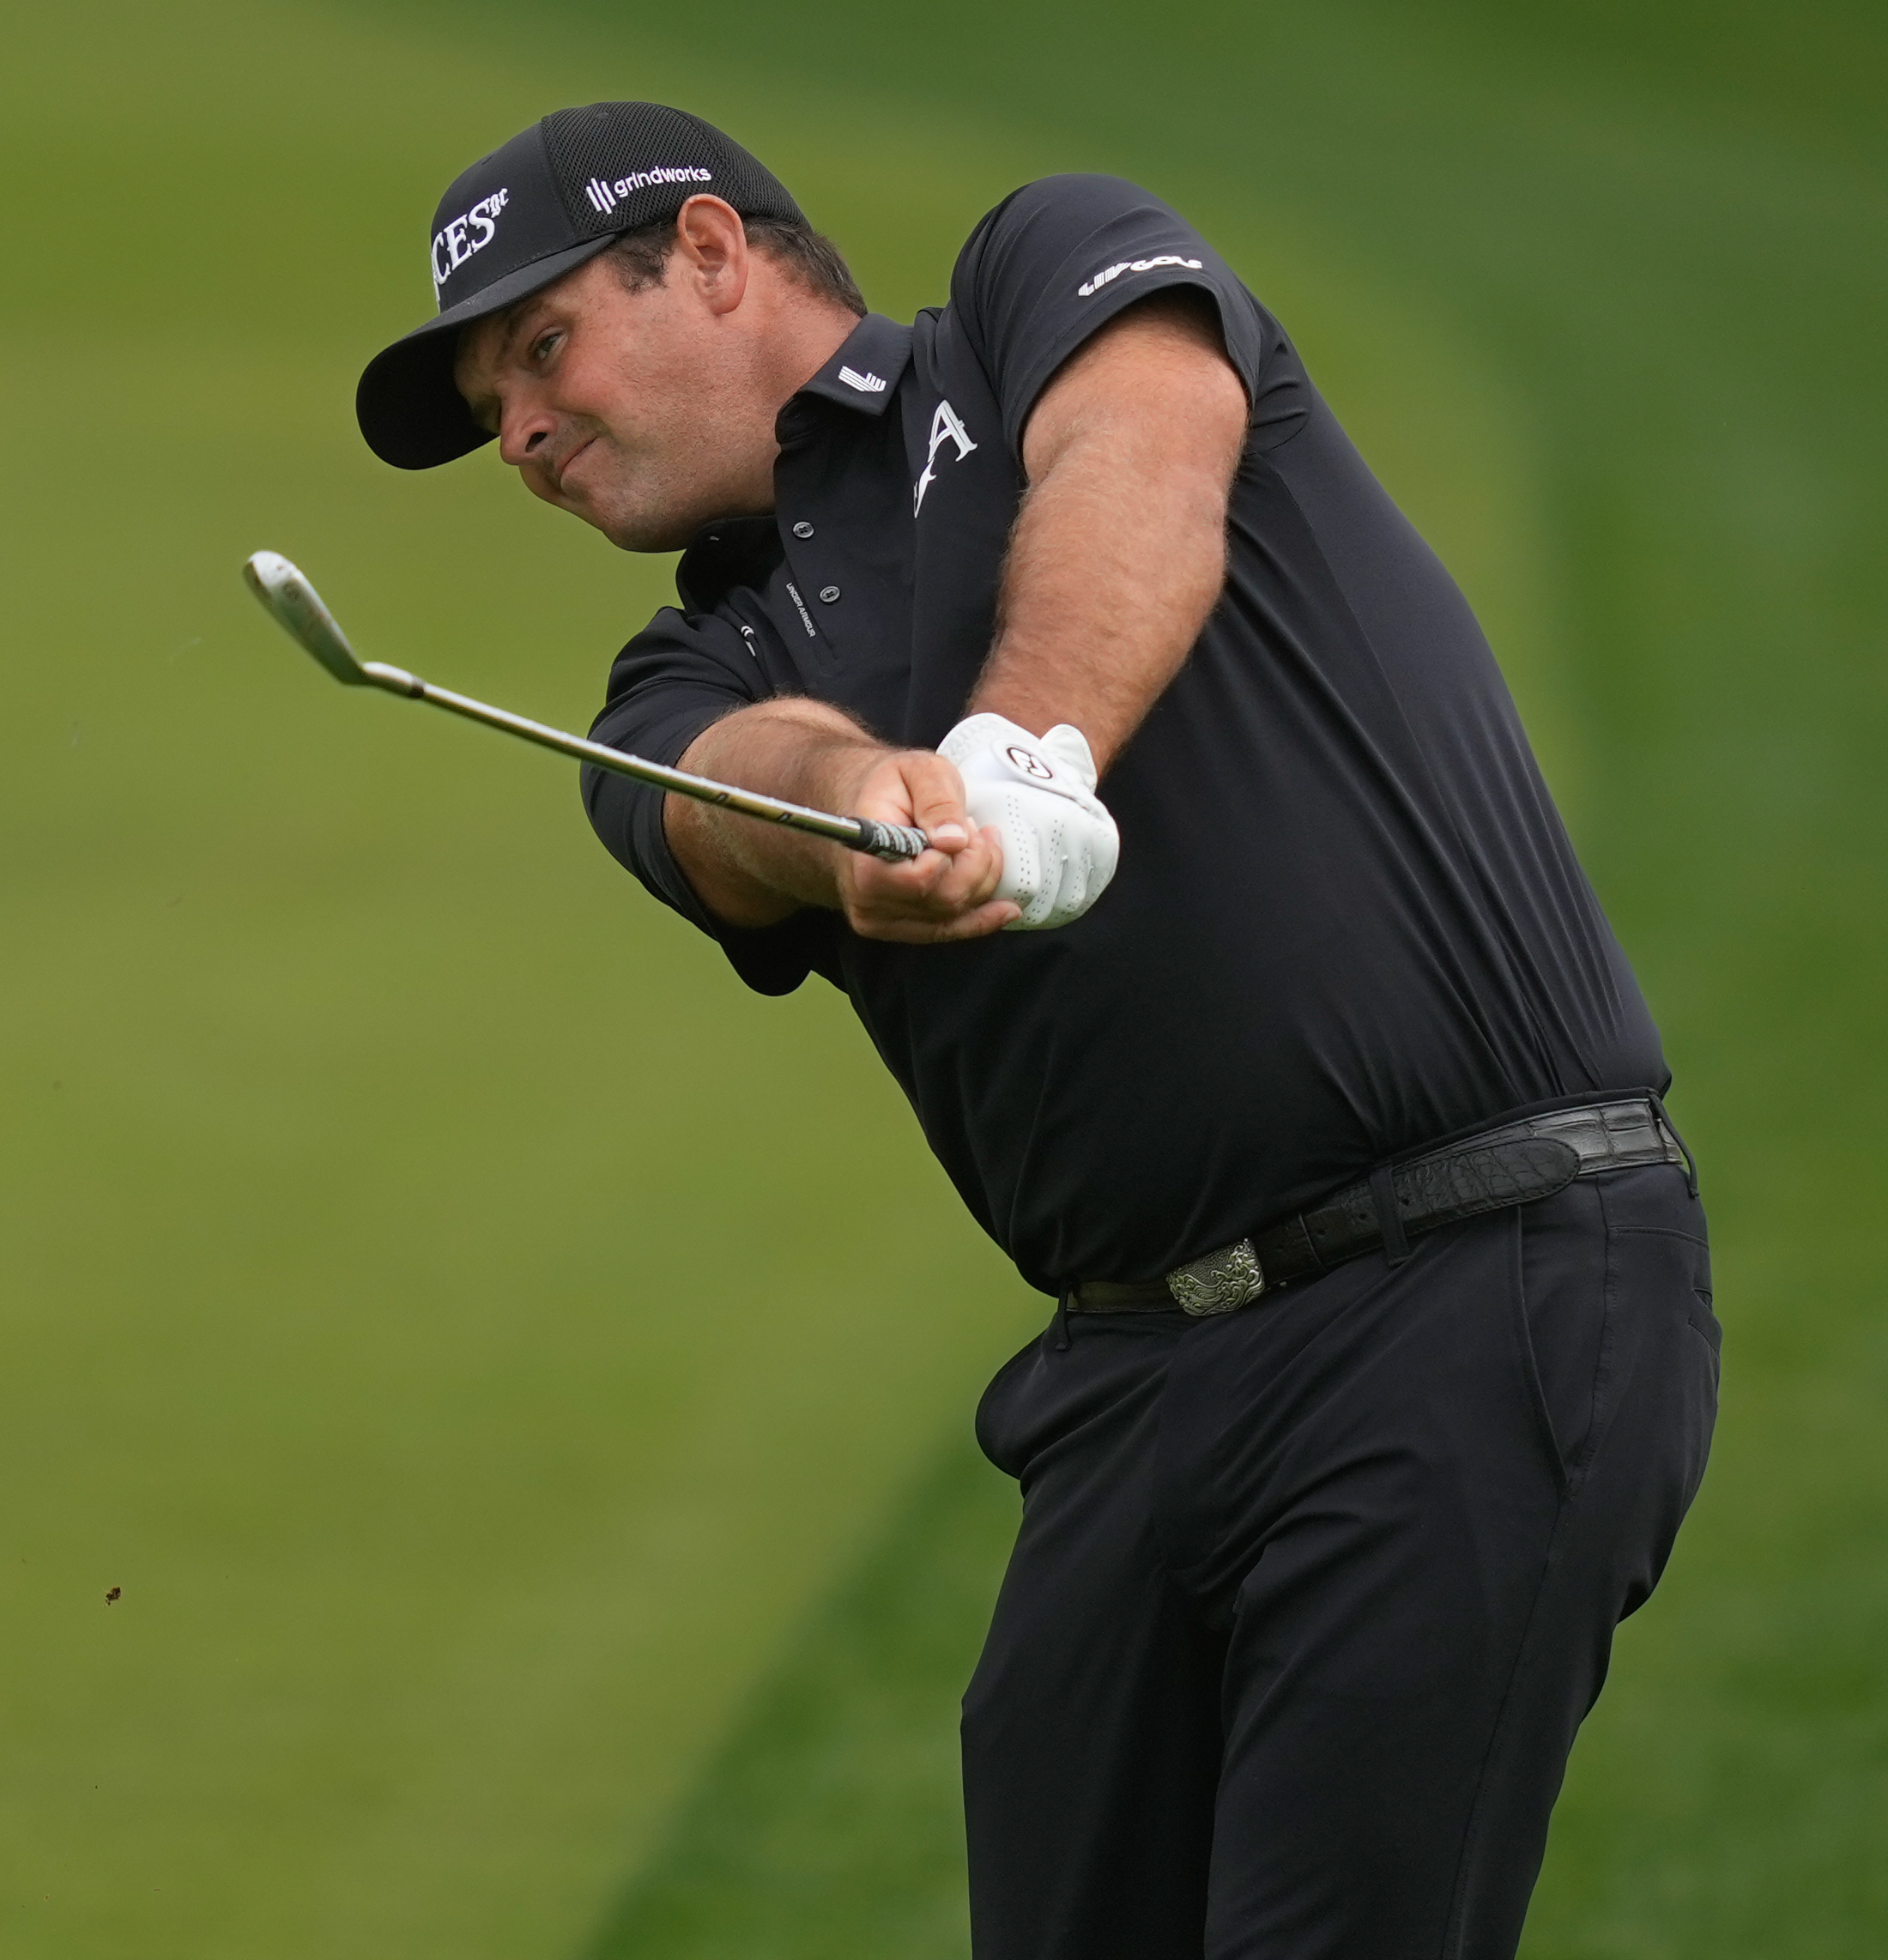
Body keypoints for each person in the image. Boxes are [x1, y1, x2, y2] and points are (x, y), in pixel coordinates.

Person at [348, 101, 1720, 1958]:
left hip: (1472, 1273)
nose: (518, 429)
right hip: (1134, 1377)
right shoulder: (682, 671)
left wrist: (1020, 750)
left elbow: (1141, 450)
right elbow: (731, 793)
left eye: (541, 346)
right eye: (489, 404)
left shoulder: (1030, 293)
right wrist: (860, 802)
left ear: (712, 252)